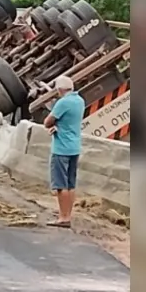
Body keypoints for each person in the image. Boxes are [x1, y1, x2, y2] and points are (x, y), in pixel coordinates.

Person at [43, 75, 85, 228]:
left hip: (61, 148)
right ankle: (68, 214)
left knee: (61, 185)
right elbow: (67, 122)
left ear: (60, 89)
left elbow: (47, 122)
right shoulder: (79, 101)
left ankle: (63, 217)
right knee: (71, 183)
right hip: (75, 147)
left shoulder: (63, 102)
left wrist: (53, 126)